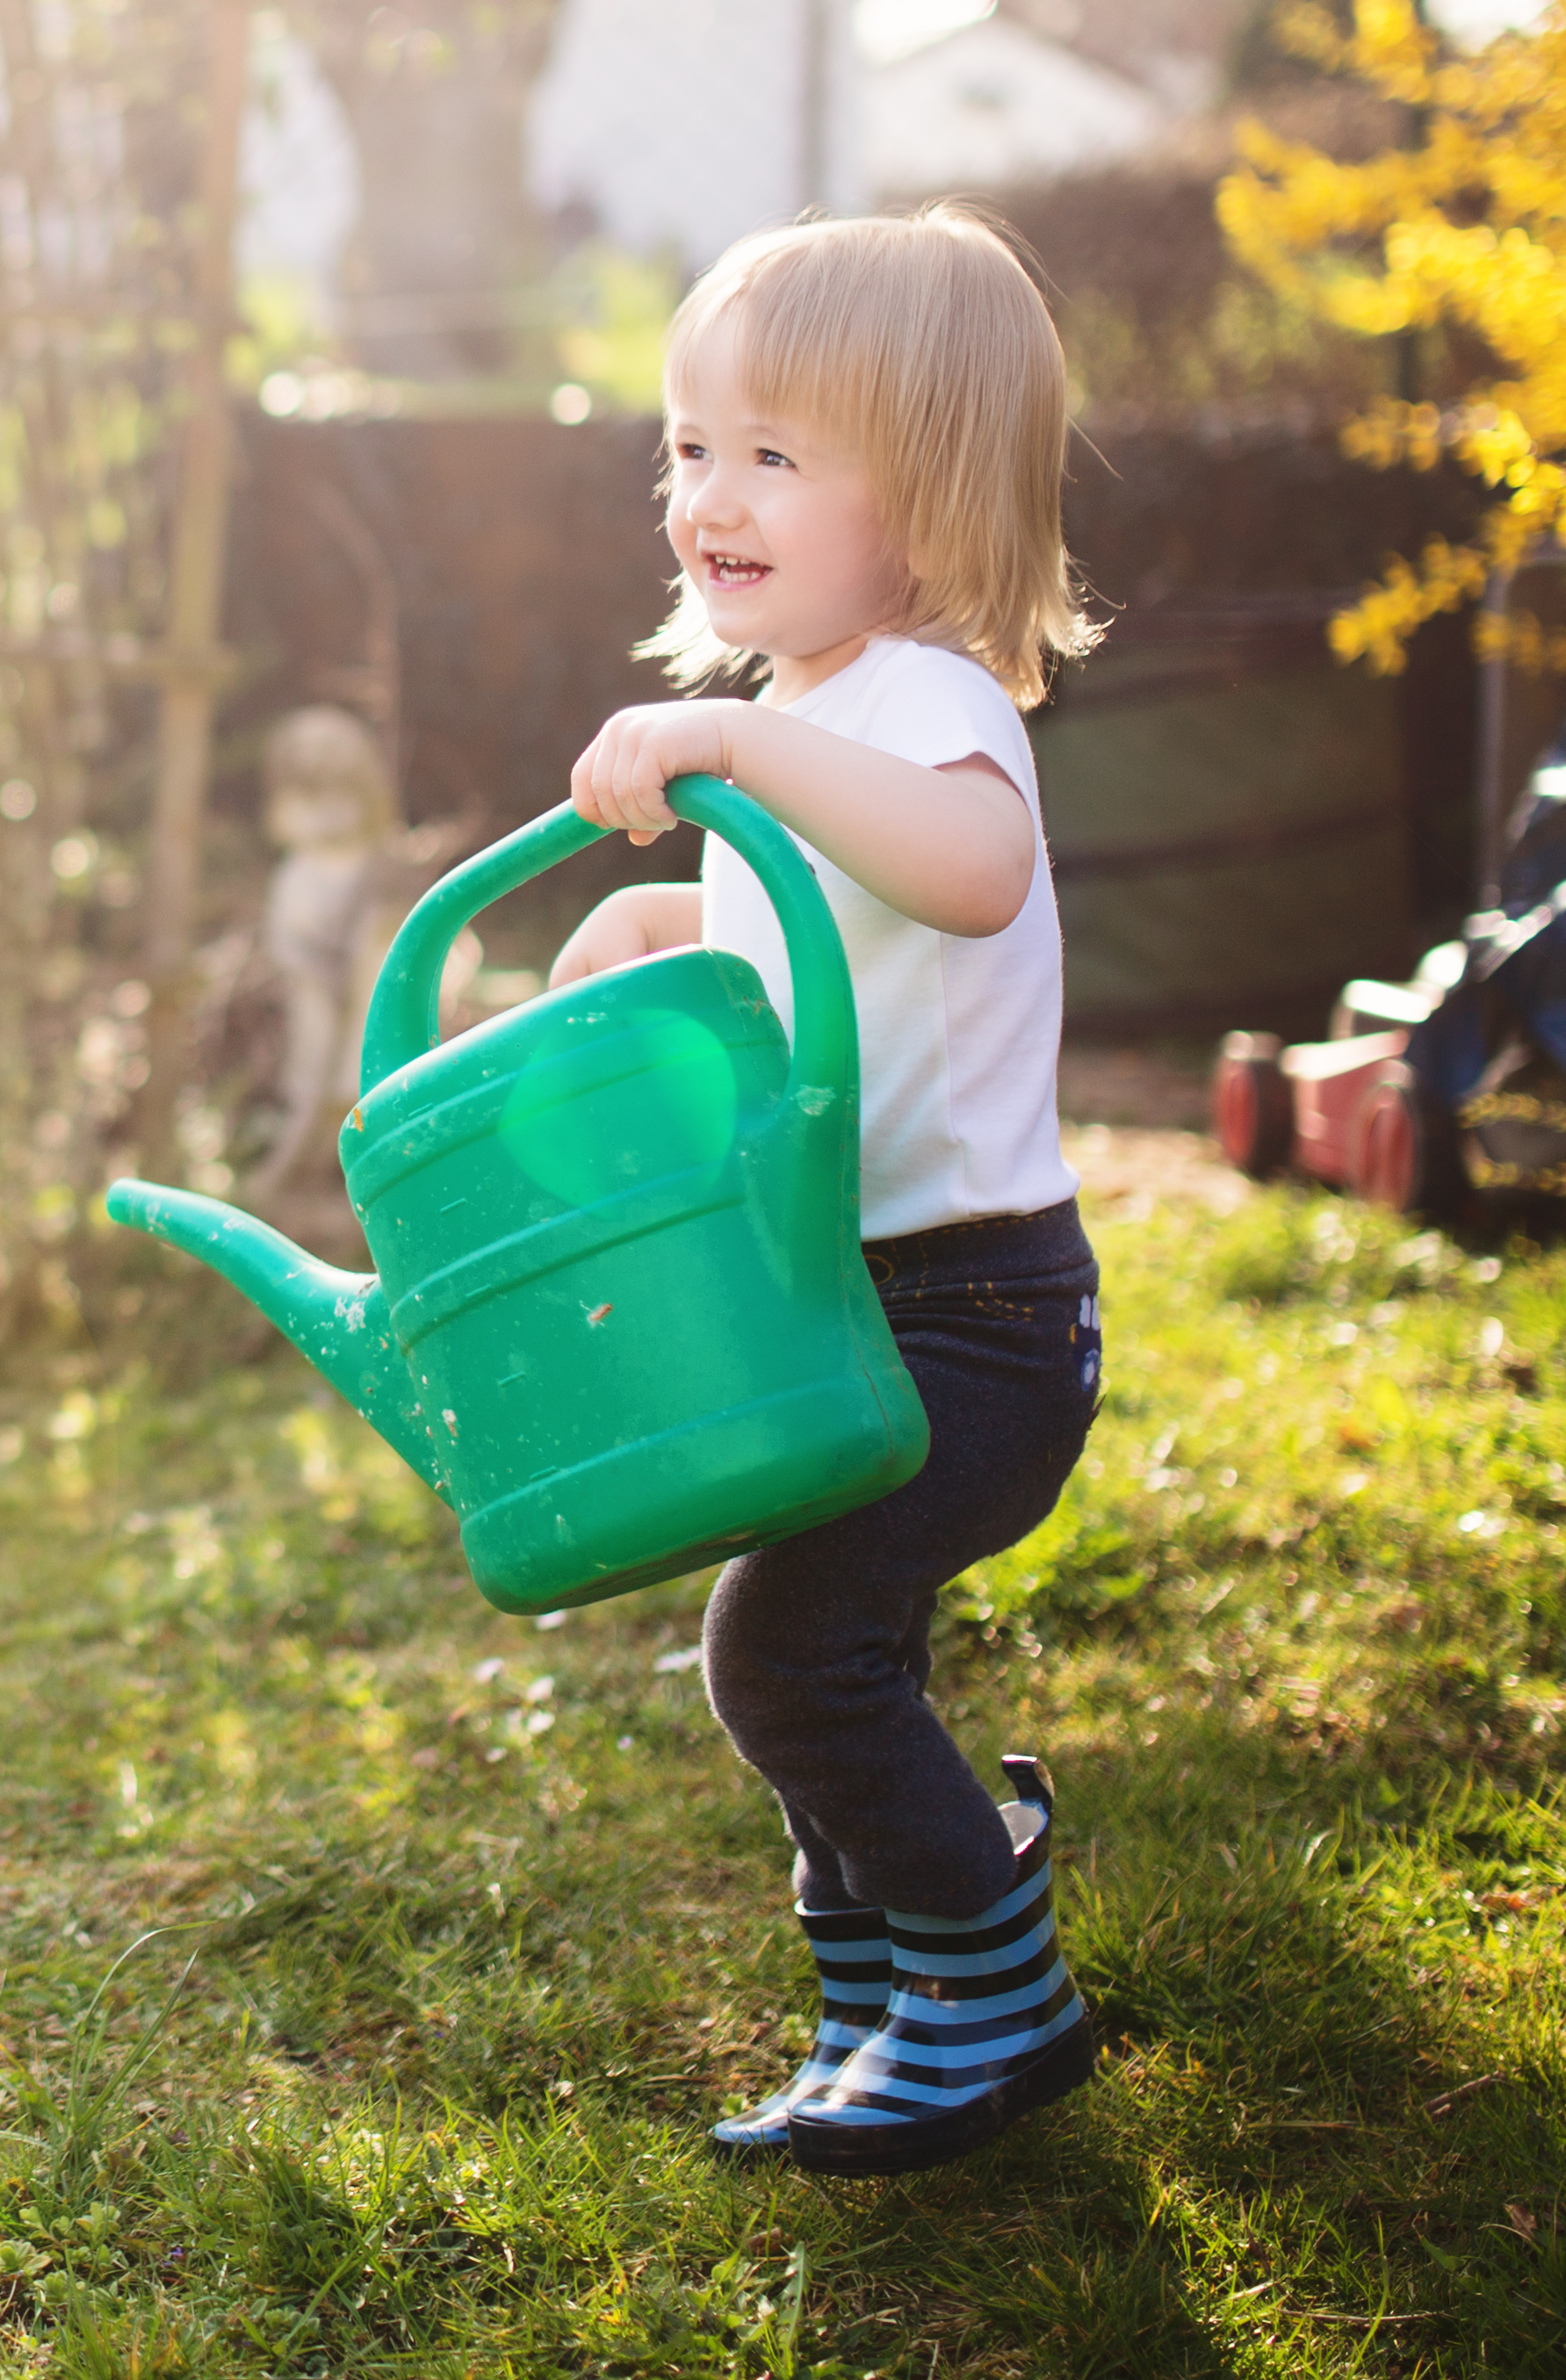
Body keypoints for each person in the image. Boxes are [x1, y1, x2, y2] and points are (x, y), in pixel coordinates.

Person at [546, 207, 1106, 2176]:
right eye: (690, 447)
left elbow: (960, 871)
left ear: (931, 496)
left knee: (781, 1651)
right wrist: (656, 913)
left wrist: (720, 752)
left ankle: (994, 1997)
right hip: (848, 1307)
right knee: (831, 1646)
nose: (710, 494)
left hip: (973, 1320)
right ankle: (886, 1997)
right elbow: (814, 956)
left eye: (776, 453)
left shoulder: (928, 706)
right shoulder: (804, 724)